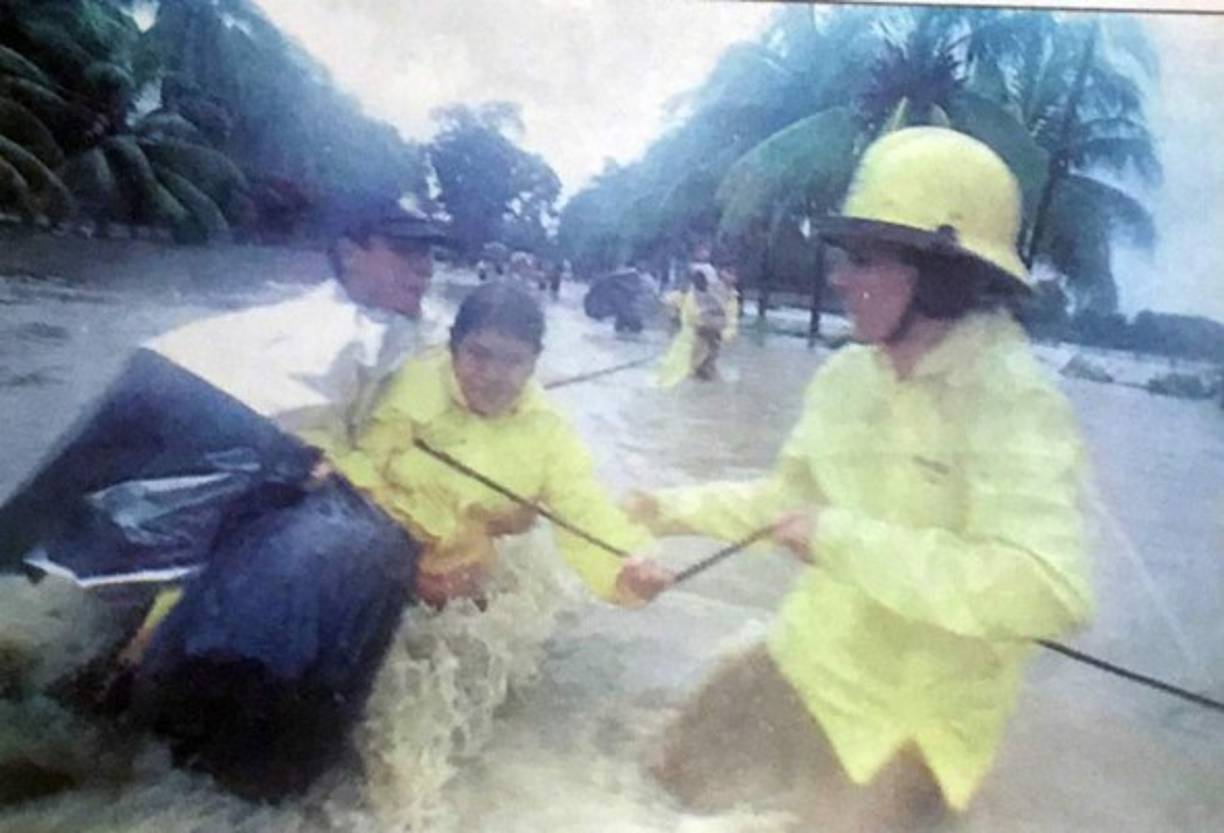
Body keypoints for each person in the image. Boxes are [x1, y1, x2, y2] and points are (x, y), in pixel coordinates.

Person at [626, 127, 1093, 829]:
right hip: (805, 658)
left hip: (910, 725)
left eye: (864, 259)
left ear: (940, 273)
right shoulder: (847, 376)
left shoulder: (1017, 404)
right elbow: (785, 503)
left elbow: (1047, 587)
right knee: (651, 779)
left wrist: (841, 538)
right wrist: (658, 510)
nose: (841, 278)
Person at [333, 281, 673, 609]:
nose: (493, 375)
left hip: (467, 573)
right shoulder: (402, 387)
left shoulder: (548, 428)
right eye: (479, 355)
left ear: (534, 362)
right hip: (384, 559)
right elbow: (353, 477)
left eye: (513, 361)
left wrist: (630, 564)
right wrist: (407, 571)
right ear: (453, 347)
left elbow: (584, 507)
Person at [657, 261, 738, 386]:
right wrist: (674, 319)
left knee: (704, 377)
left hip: (708, 344)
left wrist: (722, 335)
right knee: (691, 376)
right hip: (691, 344)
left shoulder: (726, 297)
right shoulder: (690, 294)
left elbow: (728, 322)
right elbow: (669, 302)